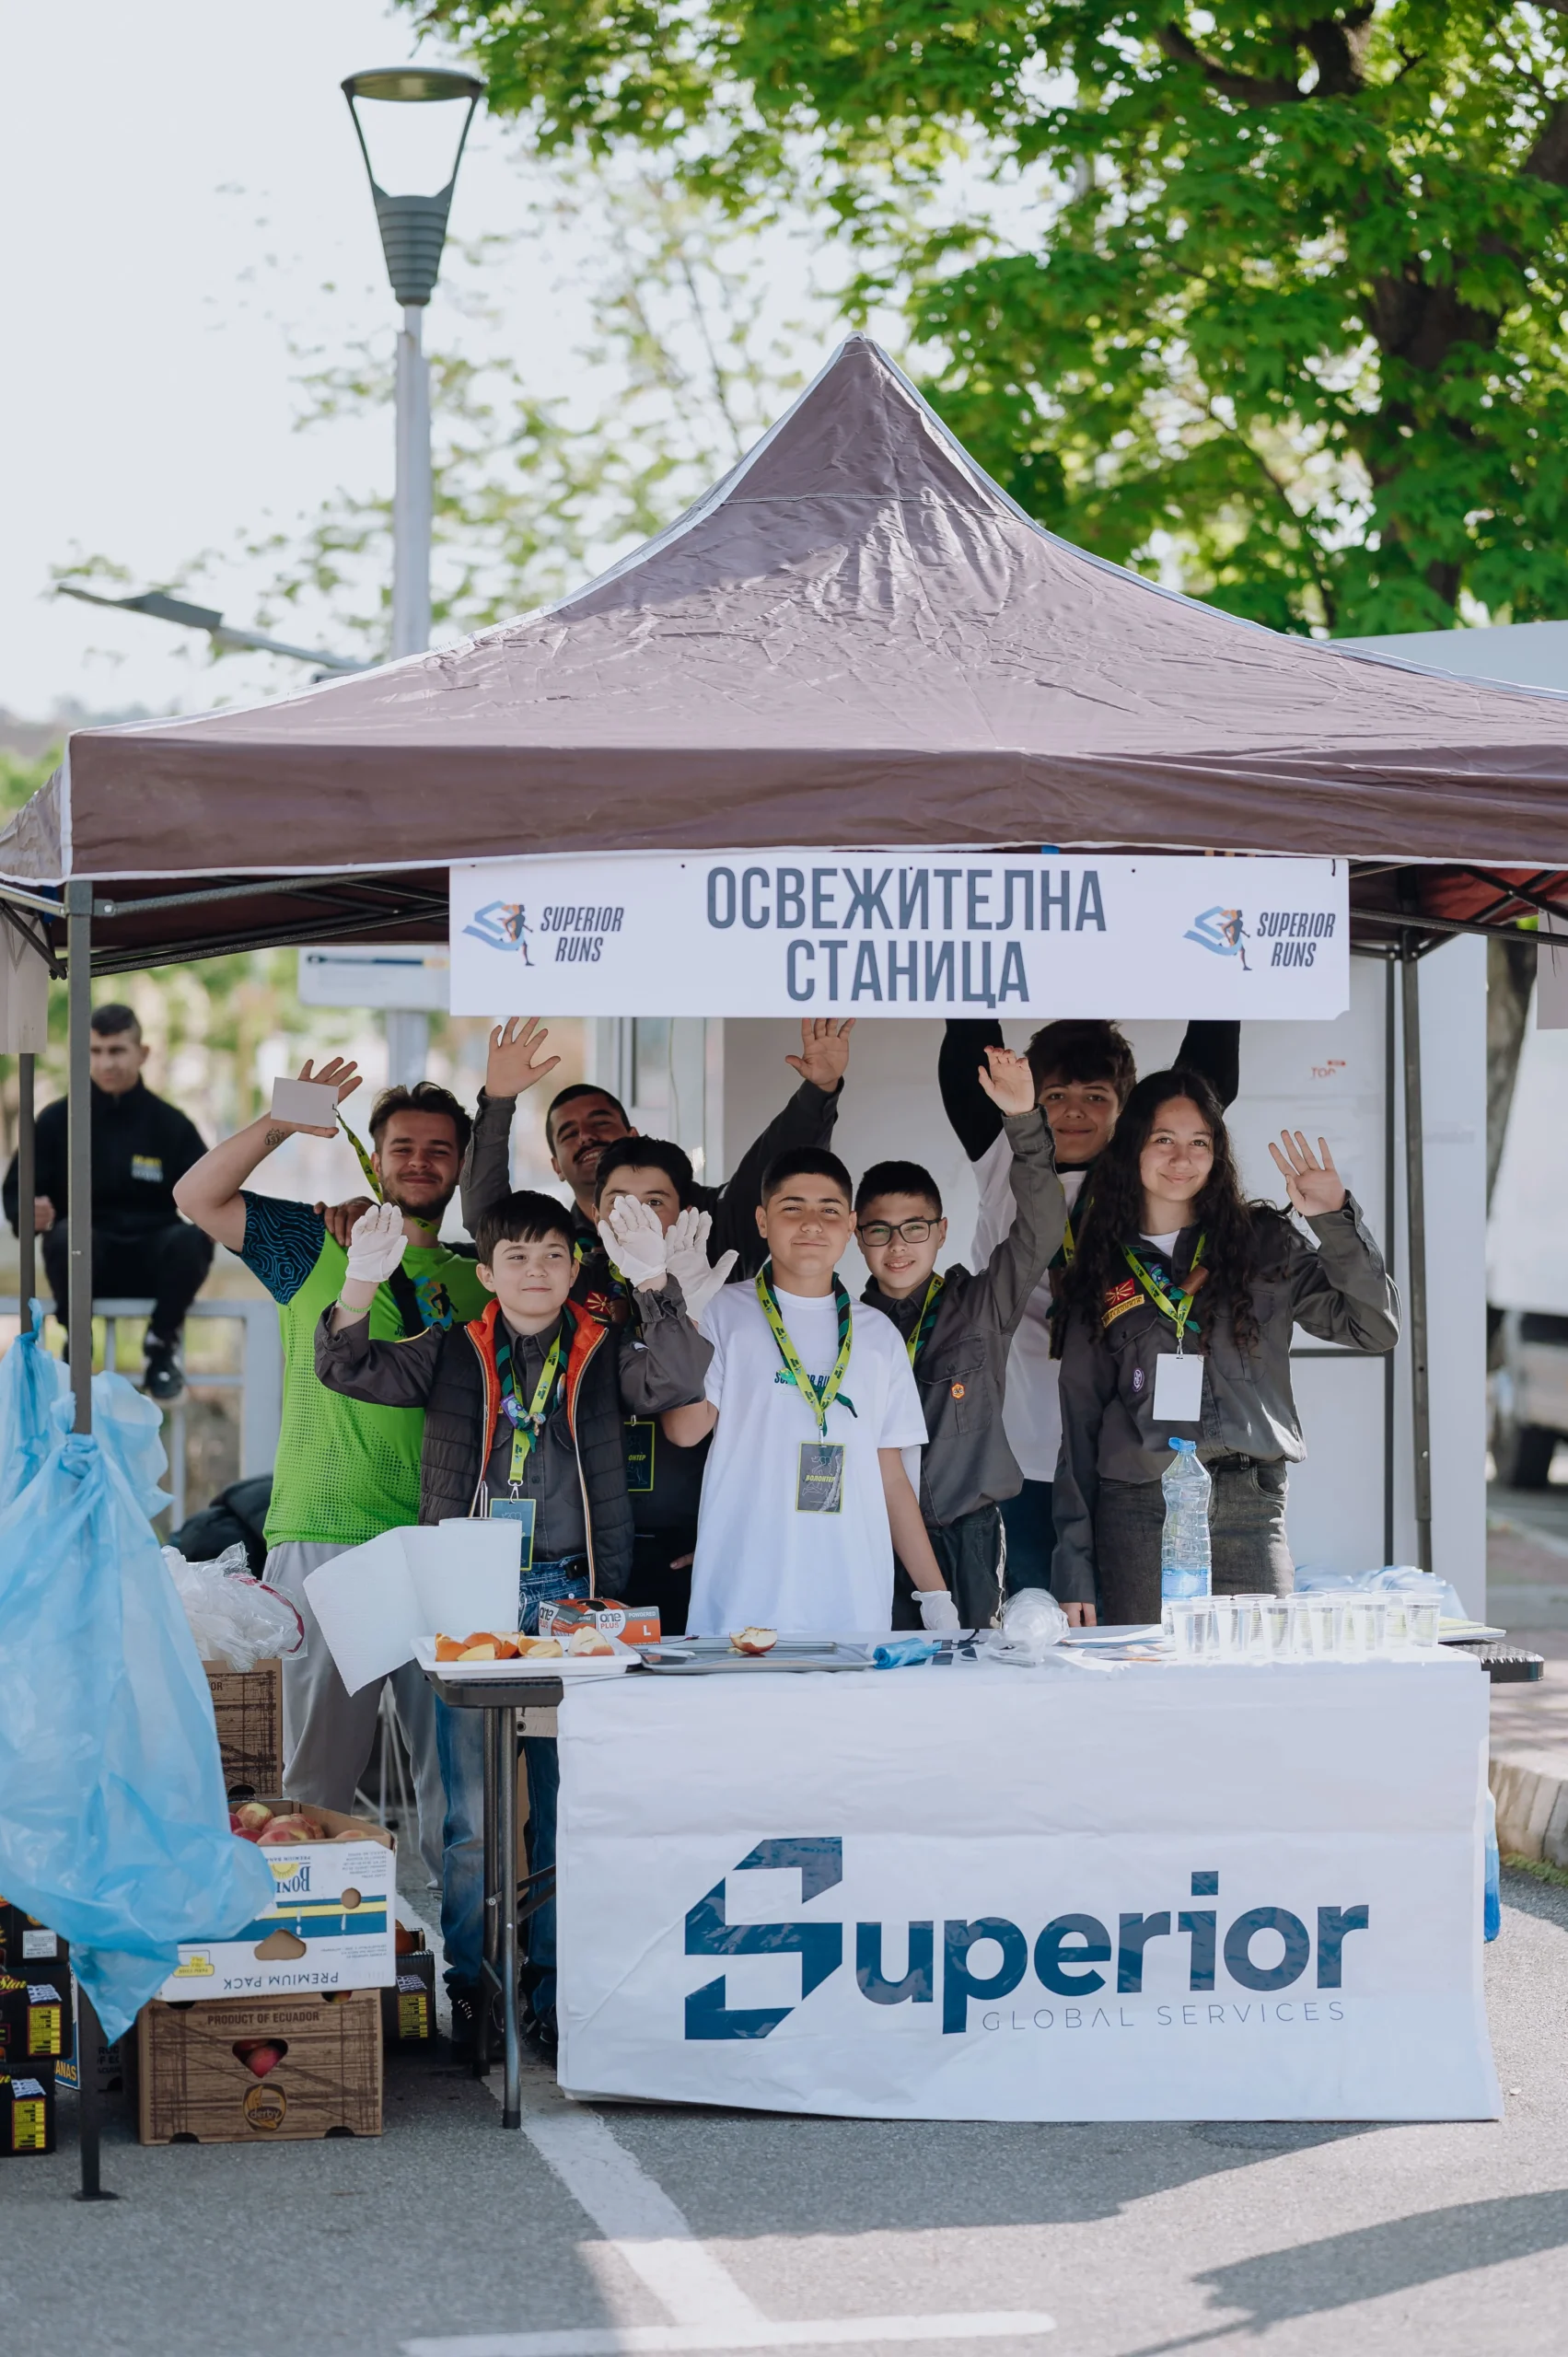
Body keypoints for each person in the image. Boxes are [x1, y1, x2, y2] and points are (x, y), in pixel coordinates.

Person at [314, 1190, 711, 2054]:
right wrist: (358, 1286)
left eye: (554, 1255)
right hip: (471, 1596)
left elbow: (679, 1377)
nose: (537, 1271)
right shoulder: (451, 1348)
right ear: (486, 1273)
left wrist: (655, 1282)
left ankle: (555, 1993)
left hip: (576, 1598)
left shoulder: (602, 1349)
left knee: (567, 1807)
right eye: (518, 1257)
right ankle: (476, 1992)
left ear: (575, 1269)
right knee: (473, 1818)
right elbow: (347, 1368)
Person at [172, 1061, 513, 1900]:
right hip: (326, 1532)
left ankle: (462, 1962)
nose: (420, 1161)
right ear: (375, 1158)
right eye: (403, 1147)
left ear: (462, 1165)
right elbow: (196, 1197)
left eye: (440, 1149)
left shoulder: (488, 1275)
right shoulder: (313, 1242)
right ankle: (302, 1950)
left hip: (446, 1550)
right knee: (310, 1779)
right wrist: (281, 1123)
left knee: (459, 1791)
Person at [1051, 1071, 1400, 1625]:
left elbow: (1373, 1328)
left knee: (1259, 1670)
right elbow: (1078, 1421)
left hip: (1249, 1505)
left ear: (1217, 1155)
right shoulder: (1101, 1266)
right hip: (1141, 1508)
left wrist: (1332, 1218)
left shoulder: (1264, 1240)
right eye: (1163, 1139)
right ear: (1133, 1147)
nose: (1181, 1158)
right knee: (1149, 1672)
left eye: (1199, 1142)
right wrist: (1074, 1566)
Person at [939, 1015, 1240, 1615]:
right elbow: (967, 1038)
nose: (1073, 1112)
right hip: (1021, 1457)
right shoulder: (1003, 1158)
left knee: (1131, 1635)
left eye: (1095, 1097)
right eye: (1054, 1096)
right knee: (1030, 1629)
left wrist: (1225, 976)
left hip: (1124, 1458)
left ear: (1125, 1109)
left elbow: (1205, 1077)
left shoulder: (1148, 1175)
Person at [664, 1146, 958, 1637]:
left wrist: (935, 1595)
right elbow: (684, 1431)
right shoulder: (721, 1312)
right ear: (762, 1221)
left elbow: (892, 1480)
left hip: (852, 1597)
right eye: (792, 1208)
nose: (812, 1224)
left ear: (851, 1225)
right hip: (743, 1591)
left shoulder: (878, 1334)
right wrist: (686, 1320)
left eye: (829, 1210)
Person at [459, 1015, 855, 1326]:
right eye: (568, 1133)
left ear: (631, 1135)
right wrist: (498, 1100)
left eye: (601, 1122)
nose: (587, 1137)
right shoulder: (557, 1249)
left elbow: (773, 1173)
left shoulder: (710, 1231)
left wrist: (818, 1092)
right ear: (556, 1167)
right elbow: (490, 1220)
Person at [855, 1046, 1065, 1631]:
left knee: (974, 1673)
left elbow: (1042, 1228)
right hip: (873, 1532)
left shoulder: (979, 1305)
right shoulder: (845, 1329)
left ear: (941, 1231)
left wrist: (1023, 1121)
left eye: (915, 1228)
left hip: (971, 1534)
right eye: (880, 1231)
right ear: (857, 1236)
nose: (899, 1246)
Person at [4, 1002, 213, 1399]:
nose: (105, 1063)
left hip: (154, 1258)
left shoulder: (171, 1125)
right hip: (86, 1259)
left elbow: (212, 1187)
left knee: (193, 1238)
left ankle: (160, 1346)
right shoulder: (56, 1121)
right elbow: (16, 1190)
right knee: (65, 1235)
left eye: (116, 1050)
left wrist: (214, 1218)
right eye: (95, 1051)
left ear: (142, 1053)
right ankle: (78, 1346)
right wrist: (27, 1211)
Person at [586, 1135, 738, 1632]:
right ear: (594, 1213)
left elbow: (700, 1428)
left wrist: (684, 1304)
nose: (638, 1218)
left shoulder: (713, 1289)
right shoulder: (566, 1290)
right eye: (620, 1204)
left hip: (688, 1543)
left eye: (654, 1203)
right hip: (587, 1541)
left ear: (684, 1213)